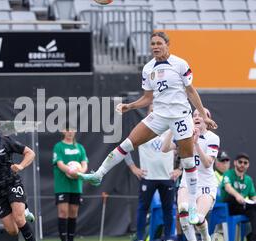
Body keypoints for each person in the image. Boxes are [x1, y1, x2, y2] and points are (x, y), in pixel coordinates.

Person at [78, 31, 218, 226]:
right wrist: (130, 106)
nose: (155, 46)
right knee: (128, 143)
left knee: (187, 162)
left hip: (180, 117)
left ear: (167, 45)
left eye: (159, 43)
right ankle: (99, 174)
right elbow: (147, 98)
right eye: (152, 43)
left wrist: (202, 115)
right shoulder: (148, 68)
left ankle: (193, 207)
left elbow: (191, 91)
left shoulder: (180, 64)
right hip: (159, 116)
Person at [162, 108, 220, 241]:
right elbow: (165, 148)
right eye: (194, 115)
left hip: (206, 184)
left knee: (197, 219)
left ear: (208, 119)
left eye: (201, 115)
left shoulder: (213, 138)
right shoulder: (184, 136)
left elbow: (207, 163)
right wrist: (171, 128)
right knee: (182, 208)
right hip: (187, 182)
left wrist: (196, 144)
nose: (197, 117)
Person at [125, 106, 180, 241]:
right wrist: (133, 168)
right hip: (148, 177)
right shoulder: (143, 130)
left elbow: (185, 148)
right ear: (148, 113)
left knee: (169, 209)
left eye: (158, 110)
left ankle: (168, 240)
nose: (155, 113)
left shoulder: (170, 129)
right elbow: (124, 148)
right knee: (143, 208)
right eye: (152, 111)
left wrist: (180, 169)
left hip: (167, 177)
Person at [53, 125, 88, 241]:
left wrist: (80, 173)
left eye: (72, 130)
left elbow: (84, 164)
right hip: (62, 185)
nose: (70, 132)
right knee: (63, 212)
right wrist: (70, 170)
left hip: (76, 186)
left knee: (73, 212)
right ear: (63, 131)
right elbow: (59, 163)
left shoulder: (79, 147)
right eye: (67, 130)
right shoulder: (59, 147)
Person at [220, 153, 256, 241]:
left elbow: (253, 196)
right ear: (235, 163)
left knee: (253, 211)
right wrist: (237, 195)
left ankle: (252, 238)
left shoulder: (248, 179)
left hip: (242, 206)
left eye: (245, 163)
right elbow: (228, 187)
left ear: (248, 165)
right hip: (228, 206)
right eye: (240, 162)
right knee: (233, 197)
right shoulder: (228, 174)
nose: (242, 164)